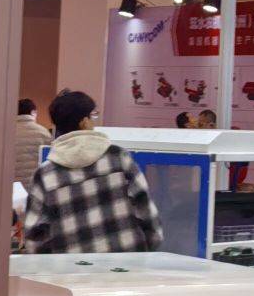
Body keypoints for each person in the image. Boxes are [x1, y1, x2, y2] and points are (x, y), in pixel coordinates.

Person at [22, 91, 163, 253]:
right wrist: (148, 248)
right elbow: (145, 209)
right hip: (124, 261)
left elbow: (34, 235)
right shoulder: (118, 158)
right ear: (84, 122)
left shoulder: (46, 173)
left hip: (70, 265)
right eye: (93, 116)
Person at [14, 97, 51, 188]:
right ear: (33, 112)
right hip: (34, 185)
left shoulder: (6, 132)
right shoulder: (43, 132)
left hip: (11, 186)